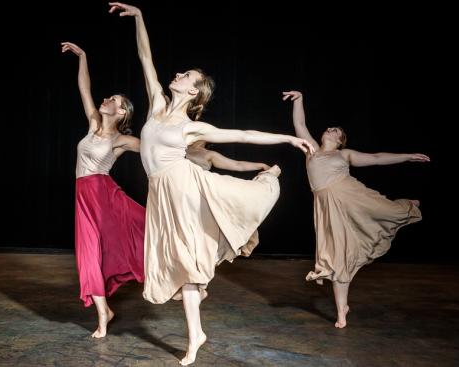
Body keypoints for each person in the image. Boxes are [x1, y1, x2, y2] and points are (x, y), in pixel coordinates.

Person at [108, 4, 315, 364]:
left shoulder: (192, 128)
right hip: (161, 192)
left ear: (194, 91)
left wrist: (287, 138)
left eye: (186, 74)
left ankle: (198, 294)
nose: (178, 74)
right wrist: (140, 16)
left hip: (184, 188)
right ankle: (197, 331)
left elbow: (244, 134)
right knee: (183, 262)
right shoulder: (157, 102)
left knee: (189, 257)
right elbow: (145, 55)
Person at [283, 90, 429, 328]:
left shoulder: (344, 154)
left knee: (390, 211)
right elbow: (299, 123)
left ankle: (407, 204)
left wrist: (406, 156)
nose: (331, 129)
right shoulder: (310, 148)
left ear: (340, 140)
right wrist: (299, 99)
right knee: (339, 258)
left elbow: (377, 158)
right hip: (328, 207)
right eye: (330, 128)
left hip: (352, 196)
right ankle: (342, 311)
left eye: (336, 131)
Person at [62, 41, 145, 338]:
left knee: (139, 232)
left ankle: (178, 277)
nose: (106, 98)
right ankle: (104, 312)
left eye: (113, 99)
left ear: (121, 111)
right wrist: (83, 56)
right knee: (87, 256)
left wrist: (190, 148)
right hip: (83, 195)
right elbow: (84, 88)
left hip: (103, 196)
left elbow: (152, 148)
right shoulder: (93, 123)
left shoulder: (120, 140)